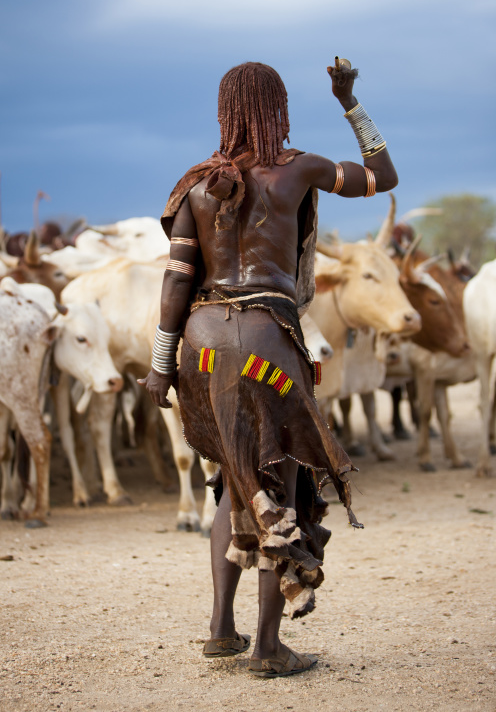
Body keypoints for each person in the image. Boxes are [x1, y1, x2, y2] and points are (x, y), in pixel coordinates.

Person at [139, 61, 398, 678]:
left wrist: (158, 367)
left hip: (200, 345)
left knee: (235, 479)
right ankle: (267, 647)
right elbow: (384, 177)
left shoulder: (194, 184)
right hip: (265, 342)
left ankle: (220, 630)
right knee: (277, 480)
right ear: (278, 108)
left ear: (224, 109)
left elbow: (177, 282)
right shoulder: (300, 168)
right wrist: (351, 102)